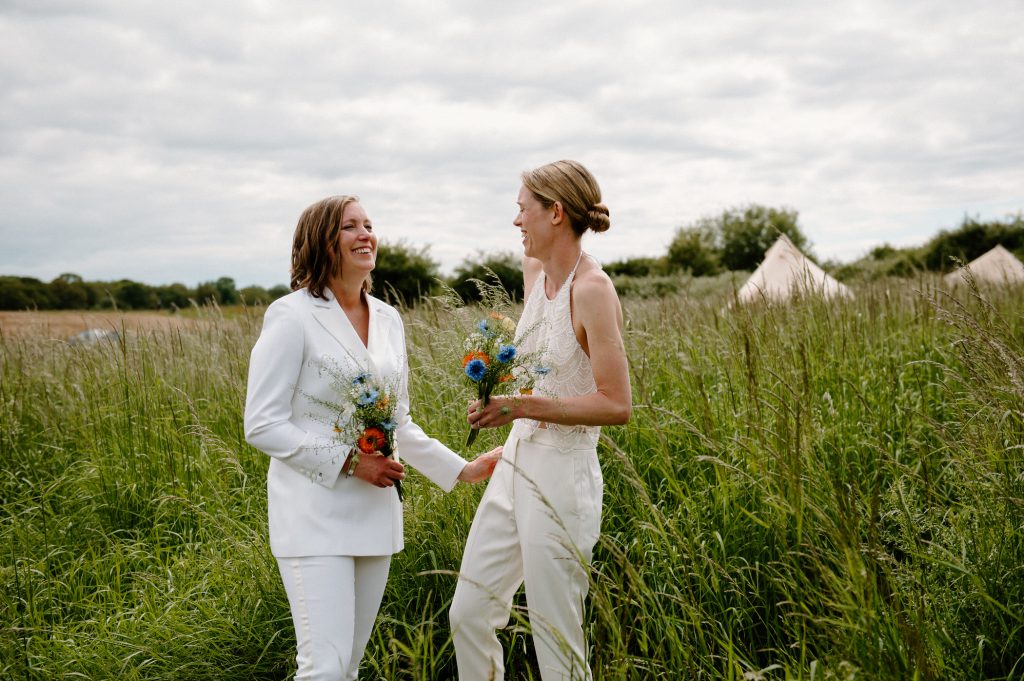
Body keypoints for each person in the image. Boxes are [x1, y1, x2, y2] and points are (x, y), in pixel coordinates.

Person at [244, 195, 501, 681]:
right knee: (323, 668)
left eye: (369, 225)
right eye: (349, 227)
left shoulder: (387, 317)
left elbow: (398, 420)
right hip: (313, 515)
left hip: (374, 517)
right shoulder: (291, 315)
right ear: (322, 241)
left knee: (349, 668)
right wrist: (349, 461)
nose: (366, 235)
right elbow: (261, 423)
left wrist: (461, 469)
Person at [450, 160, 632, 680]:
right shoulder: (537, 276)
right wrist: (505, 420)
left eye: (521, 209)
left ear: (555, 212)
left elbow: (616, 403)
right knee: (469, 613)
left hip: (562, 475)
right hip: (514, 463)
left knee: (557, 638)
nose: (515, 222)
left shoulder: (592, 289)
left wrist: (520, 406)